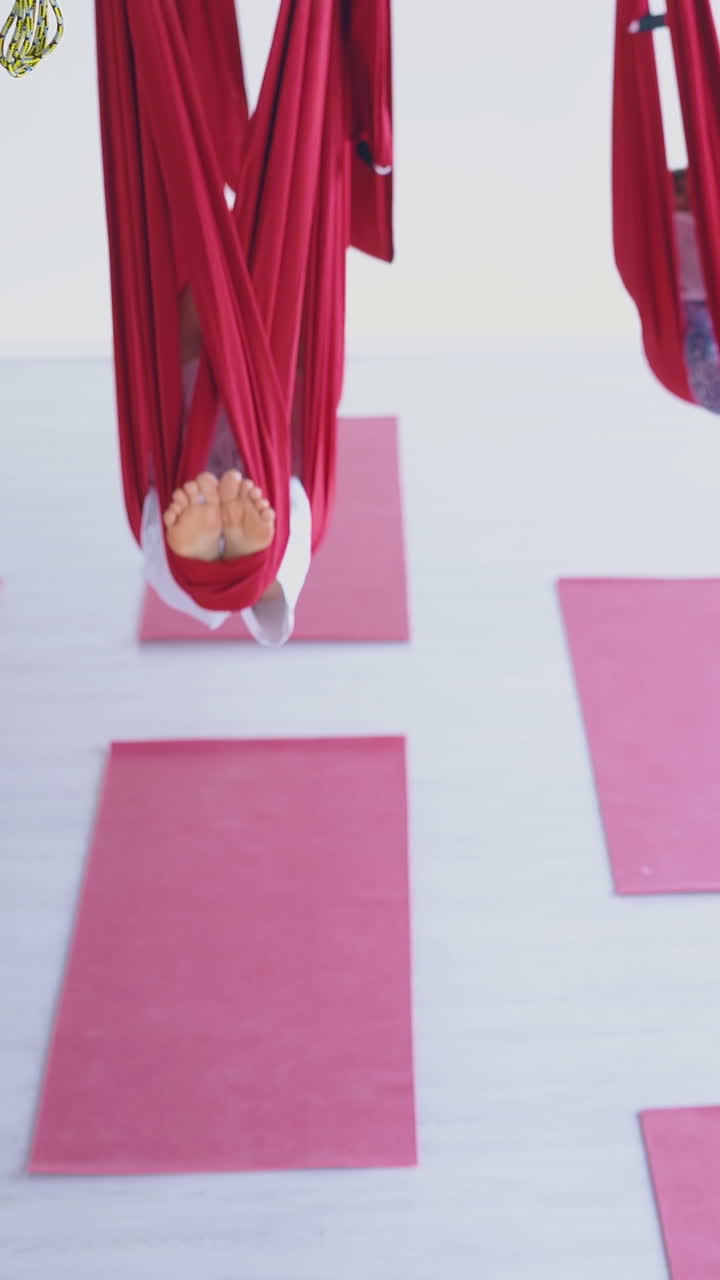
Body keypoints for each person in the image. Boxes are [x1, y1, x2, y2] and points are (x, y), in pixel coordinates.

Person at [141, 285, 313, 646]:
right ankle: (262, 577)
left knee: (193, 289)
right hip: (263, 423)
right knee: (271, 292)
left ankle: (214, 572)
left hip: (255, 419)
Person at [671, 167, 720, 412]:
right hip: (694, 302)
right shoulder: (670, 224)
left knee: (701, 342)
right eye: (677, 192)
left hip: (705, 300)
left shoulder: (708, 221)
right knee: (701, 343)